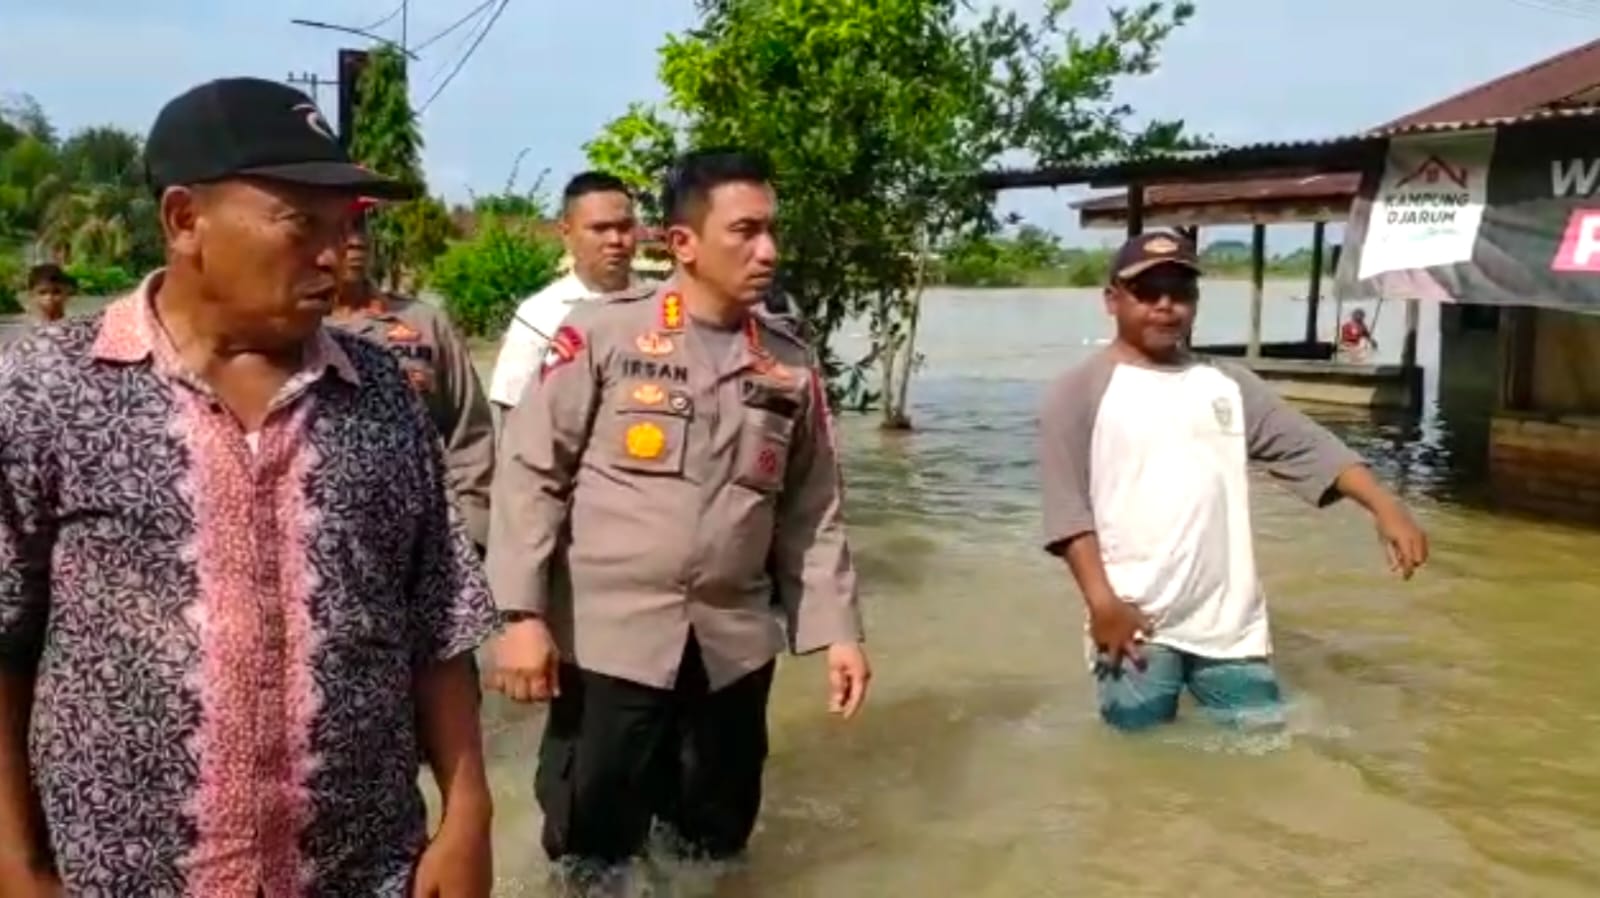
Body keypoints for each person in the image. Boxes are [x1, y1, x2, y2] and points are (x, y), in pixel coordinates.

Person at [0, 77, 496, 897]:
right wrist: (15, 862)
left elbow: (437, 618)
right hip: (120, 877)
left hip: (363, 870)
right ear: (185, 219)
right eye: (301, 222)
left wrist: (468, 813)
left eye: (343, 228)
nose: (335, 257)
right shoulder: (48, 389)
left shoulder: (378, 393)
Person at [486, 149, 870, 881]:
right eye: (746, 231)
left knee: (715, 848)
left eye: (772, 231)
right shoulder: (603, 335)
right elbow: (531, 473)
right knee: (592, 850)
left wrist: (838, 631)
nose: (769, 251)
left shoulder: (788, 362)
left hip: (730, 650)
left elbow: (812, 509)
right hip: (610, 645)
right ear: (682, 244)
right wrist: (520, 617)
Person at [1037, 231, 1429, 732]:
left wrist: (1384, 505)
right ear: (1113, 300)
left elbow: (1309, 447)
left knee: (1262, 749)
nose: (1165, 306)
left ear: (1196, 302)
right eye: (1147, 292)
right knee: (1137, 759)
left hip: (1229, 625)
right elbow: (1068, 513)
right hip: (1132, 620)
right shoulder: (1076, 392)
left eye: (1180, 293)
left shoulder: (1228, 384)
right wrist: (1102, 605)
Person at [326, 200, 497, 550]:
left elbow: (471, 436)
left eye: (360, 227)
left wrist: (470, 531)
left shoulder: (424, 324)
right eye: (340, 228)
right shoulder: (280, 331)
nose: (356, 241)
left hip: (421, 547)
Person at [487, 171, 640, 414]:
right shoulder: (538, 315)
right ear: (566, 233)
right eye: (600, 228)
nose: (615, 239)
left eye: (624, 227)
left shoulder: (667, 306)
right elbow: (514, 414)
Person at [1, 264, 76, 350]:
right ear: (31, 295)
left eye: (56, 292)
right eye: (42, 293)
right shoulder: (17, 331)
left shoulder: (76, 331)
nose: (49, 298)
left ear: (67, 293)